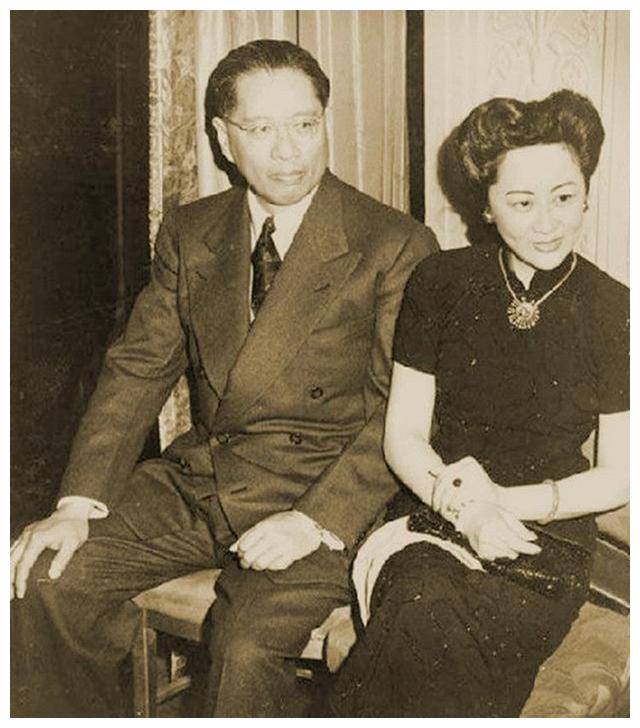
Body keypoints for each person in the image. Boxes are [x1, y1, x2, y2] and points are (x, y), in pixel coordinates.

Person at [10, 39, 438, 717]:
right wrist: (77, 504)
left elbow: (399, 413)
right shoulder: (191, 231)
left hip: (322, 496)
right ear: (222, 137)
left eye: (304, 124)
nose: (289, 152)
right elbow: (137, 370)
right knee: (43, 579)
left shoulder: (393, 244)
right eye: (261, 129)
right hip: (202, 482)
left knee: (244, 645)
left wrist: (314, 521)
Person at [329, 89, 629, 717]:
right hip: (434, 514)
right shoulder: (440, 282)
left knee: (441, 633)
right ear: (487, 207)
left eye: (564, 197)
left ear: (587, 194)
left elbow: (621, 475)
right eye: (521, 202)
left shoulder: (612, 308)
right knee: (422, 603)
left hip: (543, 538)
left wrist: (505, 505)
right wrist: (467, 511)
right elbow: (403, 436)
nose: (546, 222)